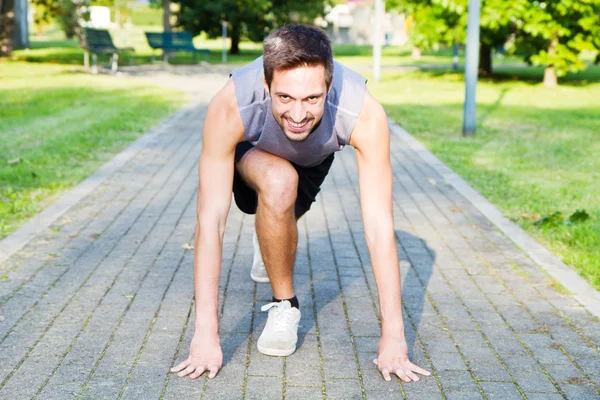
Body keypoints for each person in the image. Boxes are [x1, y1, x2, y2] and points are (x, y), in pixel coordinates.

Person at [170, 24, 430, 383]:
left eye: (312, 98)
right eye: (285, 97)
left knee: (285, 205)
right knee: (279, 183)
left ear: (329, 84)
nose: (297, 113)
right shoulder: (230, 104)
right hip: (255, 152)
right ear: (266, 85)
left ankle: (269, 239)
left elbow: (378, 226)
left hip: (312, 158)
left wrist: (394, 338)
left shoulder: (363, 112)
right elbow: (210, 220)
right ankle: (284, 305)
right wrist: (205, 335)